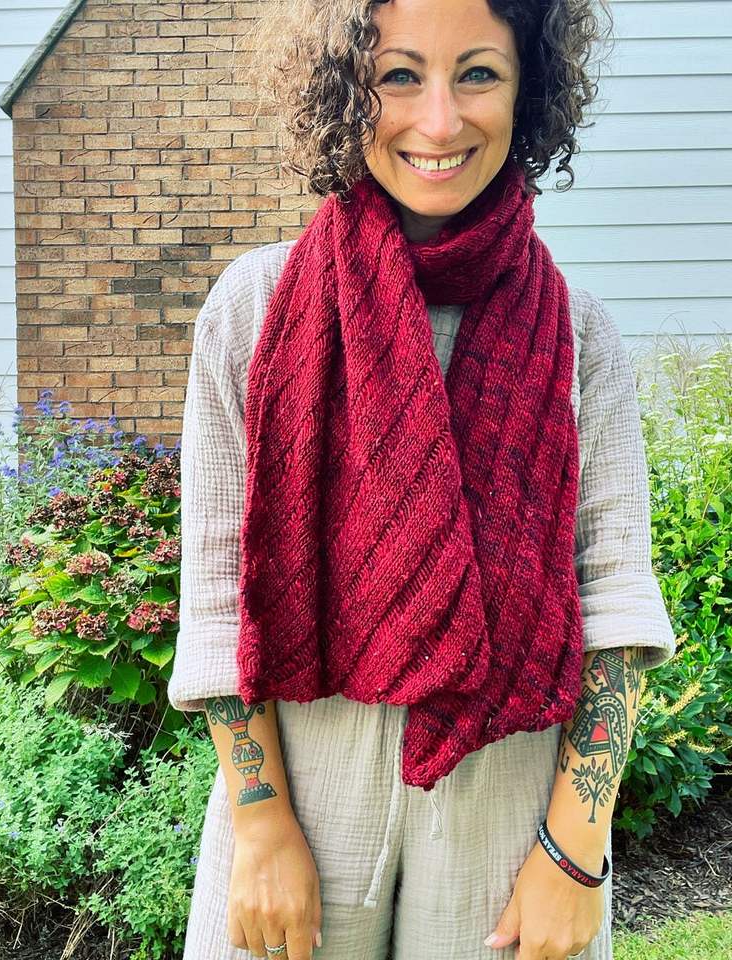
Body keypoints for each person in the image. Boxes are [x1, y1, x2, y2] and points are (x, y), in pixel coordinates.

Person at [167, 2, 677, 959]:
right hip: (301, 794)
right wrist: (260, 824)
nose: (439, 121)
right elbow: (221, 594)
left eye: (478, 73)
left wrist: (576, 852)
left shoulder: (577, 332)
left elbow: (613, 602)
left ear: (529, 90)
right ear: (345, 90)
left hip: (511, 813)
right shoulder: (255, 308)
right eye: (399, 75)